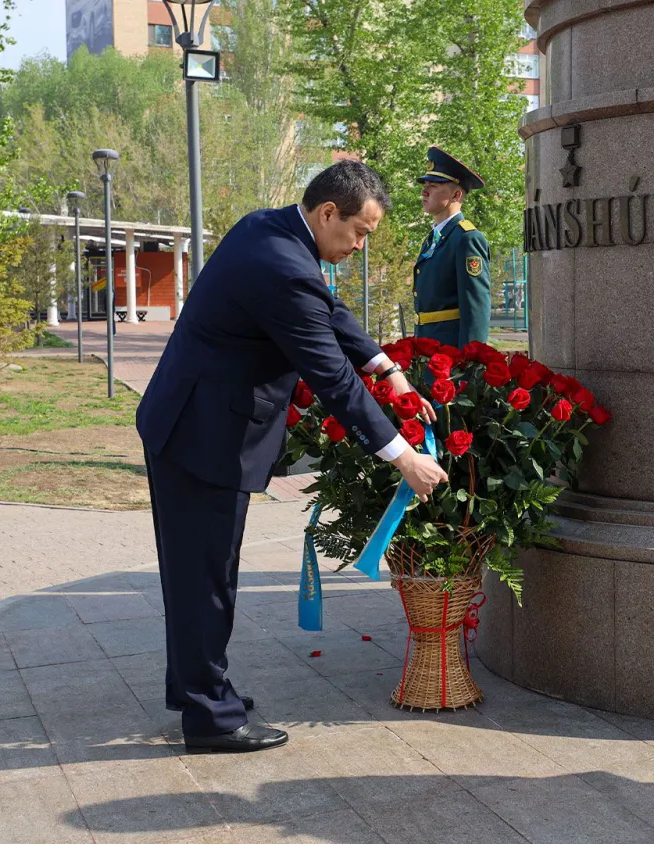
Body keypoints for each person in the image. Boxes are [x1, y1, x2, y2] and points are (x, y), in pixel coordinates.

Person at [135, 161, 449, 753]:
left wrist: (387, 367)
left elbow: (328, 314)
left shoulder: (271, 230)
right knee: (206, 578)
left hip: (192, 423)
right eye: (360, 231)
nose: (360, 245)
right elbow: (330, 375)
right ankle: (212, 718)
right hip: (204, 437)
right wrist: (402, 456)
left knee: (196, 570)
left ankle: (195, 685)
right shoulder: (283, 266)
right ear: (329, 212)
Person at [413, 146, 492, 347]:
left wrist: (469, 364)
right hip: (428, 352)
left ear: (456, 195)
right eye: (425, 184)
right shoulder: (434, 238)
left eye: (434, 185)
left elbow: (476, 310)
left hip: (450, 360)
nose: (424, 191)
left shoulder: (467, 239)